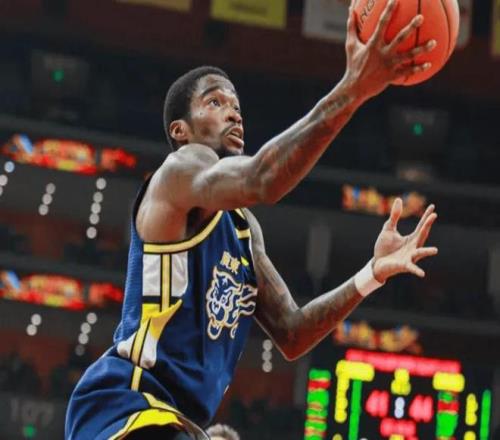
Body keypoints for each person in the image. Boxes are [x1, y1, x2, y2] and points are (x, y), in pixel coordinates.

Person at [65, 1, 438, 438]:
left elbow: (293, 333)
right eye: (215, 101)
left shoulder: (243, 230)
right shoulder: (178, 172)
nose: (234, 112)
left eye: (237, 104)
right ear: (180, 131)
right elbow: (263, 179)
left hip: (174, 419)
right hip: (125, 405)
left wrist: (372, 273)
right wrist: (353, 87)